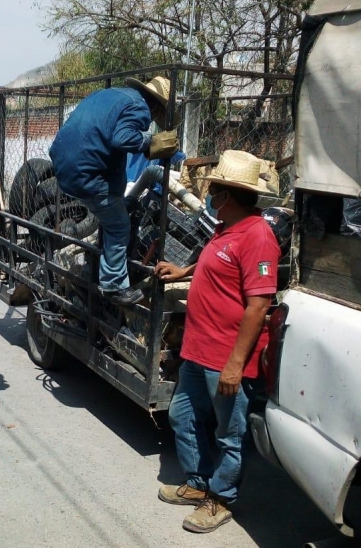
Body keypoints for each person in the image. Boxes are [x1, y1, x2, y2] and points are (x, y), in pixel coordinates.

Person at [155, 150, 281, 533]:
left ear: (227, 196)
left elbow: (258, 307)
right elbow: (217, 260)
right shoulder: (226, 228)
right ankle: (197, 484)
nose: (208, 195)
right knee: (182, 416)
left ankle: (221, 498)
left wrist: (235, 364)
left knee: (230, 433)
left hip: (225, 356)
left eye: (213, 190)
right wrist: (185, 270)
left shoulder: (258, 236)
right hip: (198, 349)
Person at [49, 76, 180, 306]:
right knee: (119, 225)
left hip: (65, 162)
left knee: (111, 211)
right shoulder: (139, 107)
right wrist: (152, 141)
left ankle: (102, 262)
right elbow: (122, 138)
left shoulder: (112, 95)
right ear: (157, 105)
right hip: (86, 171)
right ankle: (114, 286)